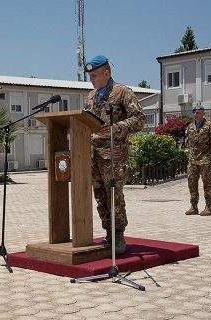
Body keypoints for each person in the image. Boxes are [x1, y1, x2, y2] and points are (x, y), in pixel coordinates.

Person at [84, 55, 145, 254]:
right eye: (90, 76)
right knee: (100, 195)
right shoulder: (91, 96)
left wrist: (116, 127)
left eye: (94, 75)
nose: (91, 79)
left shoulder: (122, 93)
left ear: (107, 73)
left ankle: (119, 235)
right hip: (93, 155)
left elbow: (140, 119)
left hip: (114, 154)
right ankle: (108, 233)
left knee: (113, 196)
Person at [185, 105, 211, 216]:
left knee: (207, 182)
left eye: (198, 112)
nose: (196, 114)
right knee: (192, 182)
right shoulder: (190, 127)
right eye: (194, 112)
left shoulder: (210, 126)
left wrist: (210, 155)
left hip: (206, 159)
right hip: (193, 159)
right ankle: (193, 206)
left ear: (203, 113)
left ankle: (208, 207)